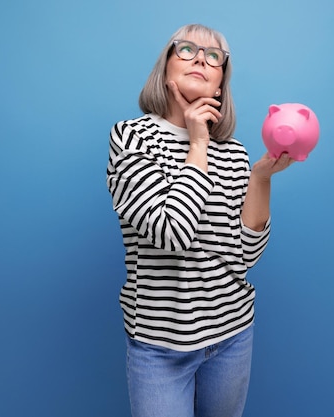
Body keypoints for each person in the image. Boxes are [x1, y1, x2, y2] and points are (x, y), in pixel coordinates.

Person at [106, 23, 294, 417]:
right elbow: (172, 233)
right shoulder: (131, 138)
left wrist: (259, 179)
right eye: (187, 49)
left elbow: (245, 257)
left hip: (232, 335)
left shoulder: (235, 153)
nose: (200, 60)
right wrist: (197, 143)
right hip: (160, 346)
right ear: (166, 67)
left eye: (213, 57)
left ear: (220, 84)